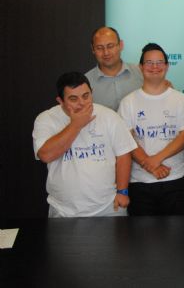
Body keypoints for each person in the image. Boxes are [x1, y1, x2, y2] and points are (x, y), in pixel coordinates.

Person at [32, 72, 136, 217]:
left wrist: (122, 191)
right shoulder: (46, 119)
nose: (82, 103)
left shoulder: (109, 116)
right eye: (73, 99)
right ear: (60, 101)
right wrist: (75, 125)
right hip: (64, 211)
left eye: (86, 96)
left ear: (92, 93)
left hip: (109, 207)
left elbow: (123, 154)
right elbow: (45, 155)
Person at [118, 43, 184, 216]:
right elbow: (127, 140)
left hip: (175, 179)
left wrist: (156, 159)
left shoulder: (180, 99)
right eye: (149, 63)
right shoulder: (128, 102)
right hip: (140, 182)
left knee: (178, 232)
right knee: (143, 233)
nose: (154, 67)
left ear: (167, 66)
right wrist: (151, 166)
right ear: (141, 67)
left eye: (159, 62)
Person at [85, 26, 143, 111]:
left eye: (110, 46)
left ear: (121, 45)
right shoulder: (85, 83)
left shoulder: (141, 73)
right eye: (99, 48)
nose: (106, 52)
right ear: (93, 49)